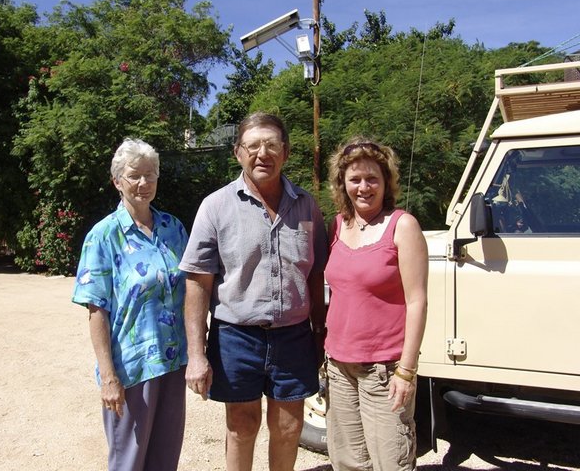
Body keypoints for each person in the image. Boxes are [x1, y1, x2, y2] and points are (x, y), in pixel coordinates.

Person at [179, 112, 328, 471]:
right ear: (238, 153)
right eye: (254, 145)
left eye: (272, 145)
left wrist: (321, 334)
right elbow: (198, 283)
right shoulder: (215, 206)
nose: (263, 153)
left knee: (289, 427)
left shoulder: (307, 206)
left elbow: (316, 274)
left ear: (286, 153)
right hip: (235, 337)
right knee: (241, 427)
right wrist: (196, 354)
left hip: (293, 337)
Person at [72, 138, 188, 471]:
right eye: (135, 175)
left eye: (150, 175)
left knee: (165, 459)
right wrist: (109, 378)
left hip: (173, 364)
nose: (144, 183)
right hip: (131, 370)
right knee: (129, 462)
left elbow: (192, 287)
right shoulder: (103, 235)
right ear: (117, 181)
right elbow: (97, 310)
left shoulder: (173, 228)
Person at [324, 138, 428, 471]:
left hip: (384, 370)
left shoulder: (403, 226)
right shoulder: (337, 226)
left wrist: (406, 371)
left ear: (386, 183)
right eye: (355, 179)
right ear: (343, 183)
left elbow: (417, 301)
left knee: (391, 462)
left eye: (373, 179)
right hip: (339, 368)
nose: (364, 187)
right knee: (348, 462)